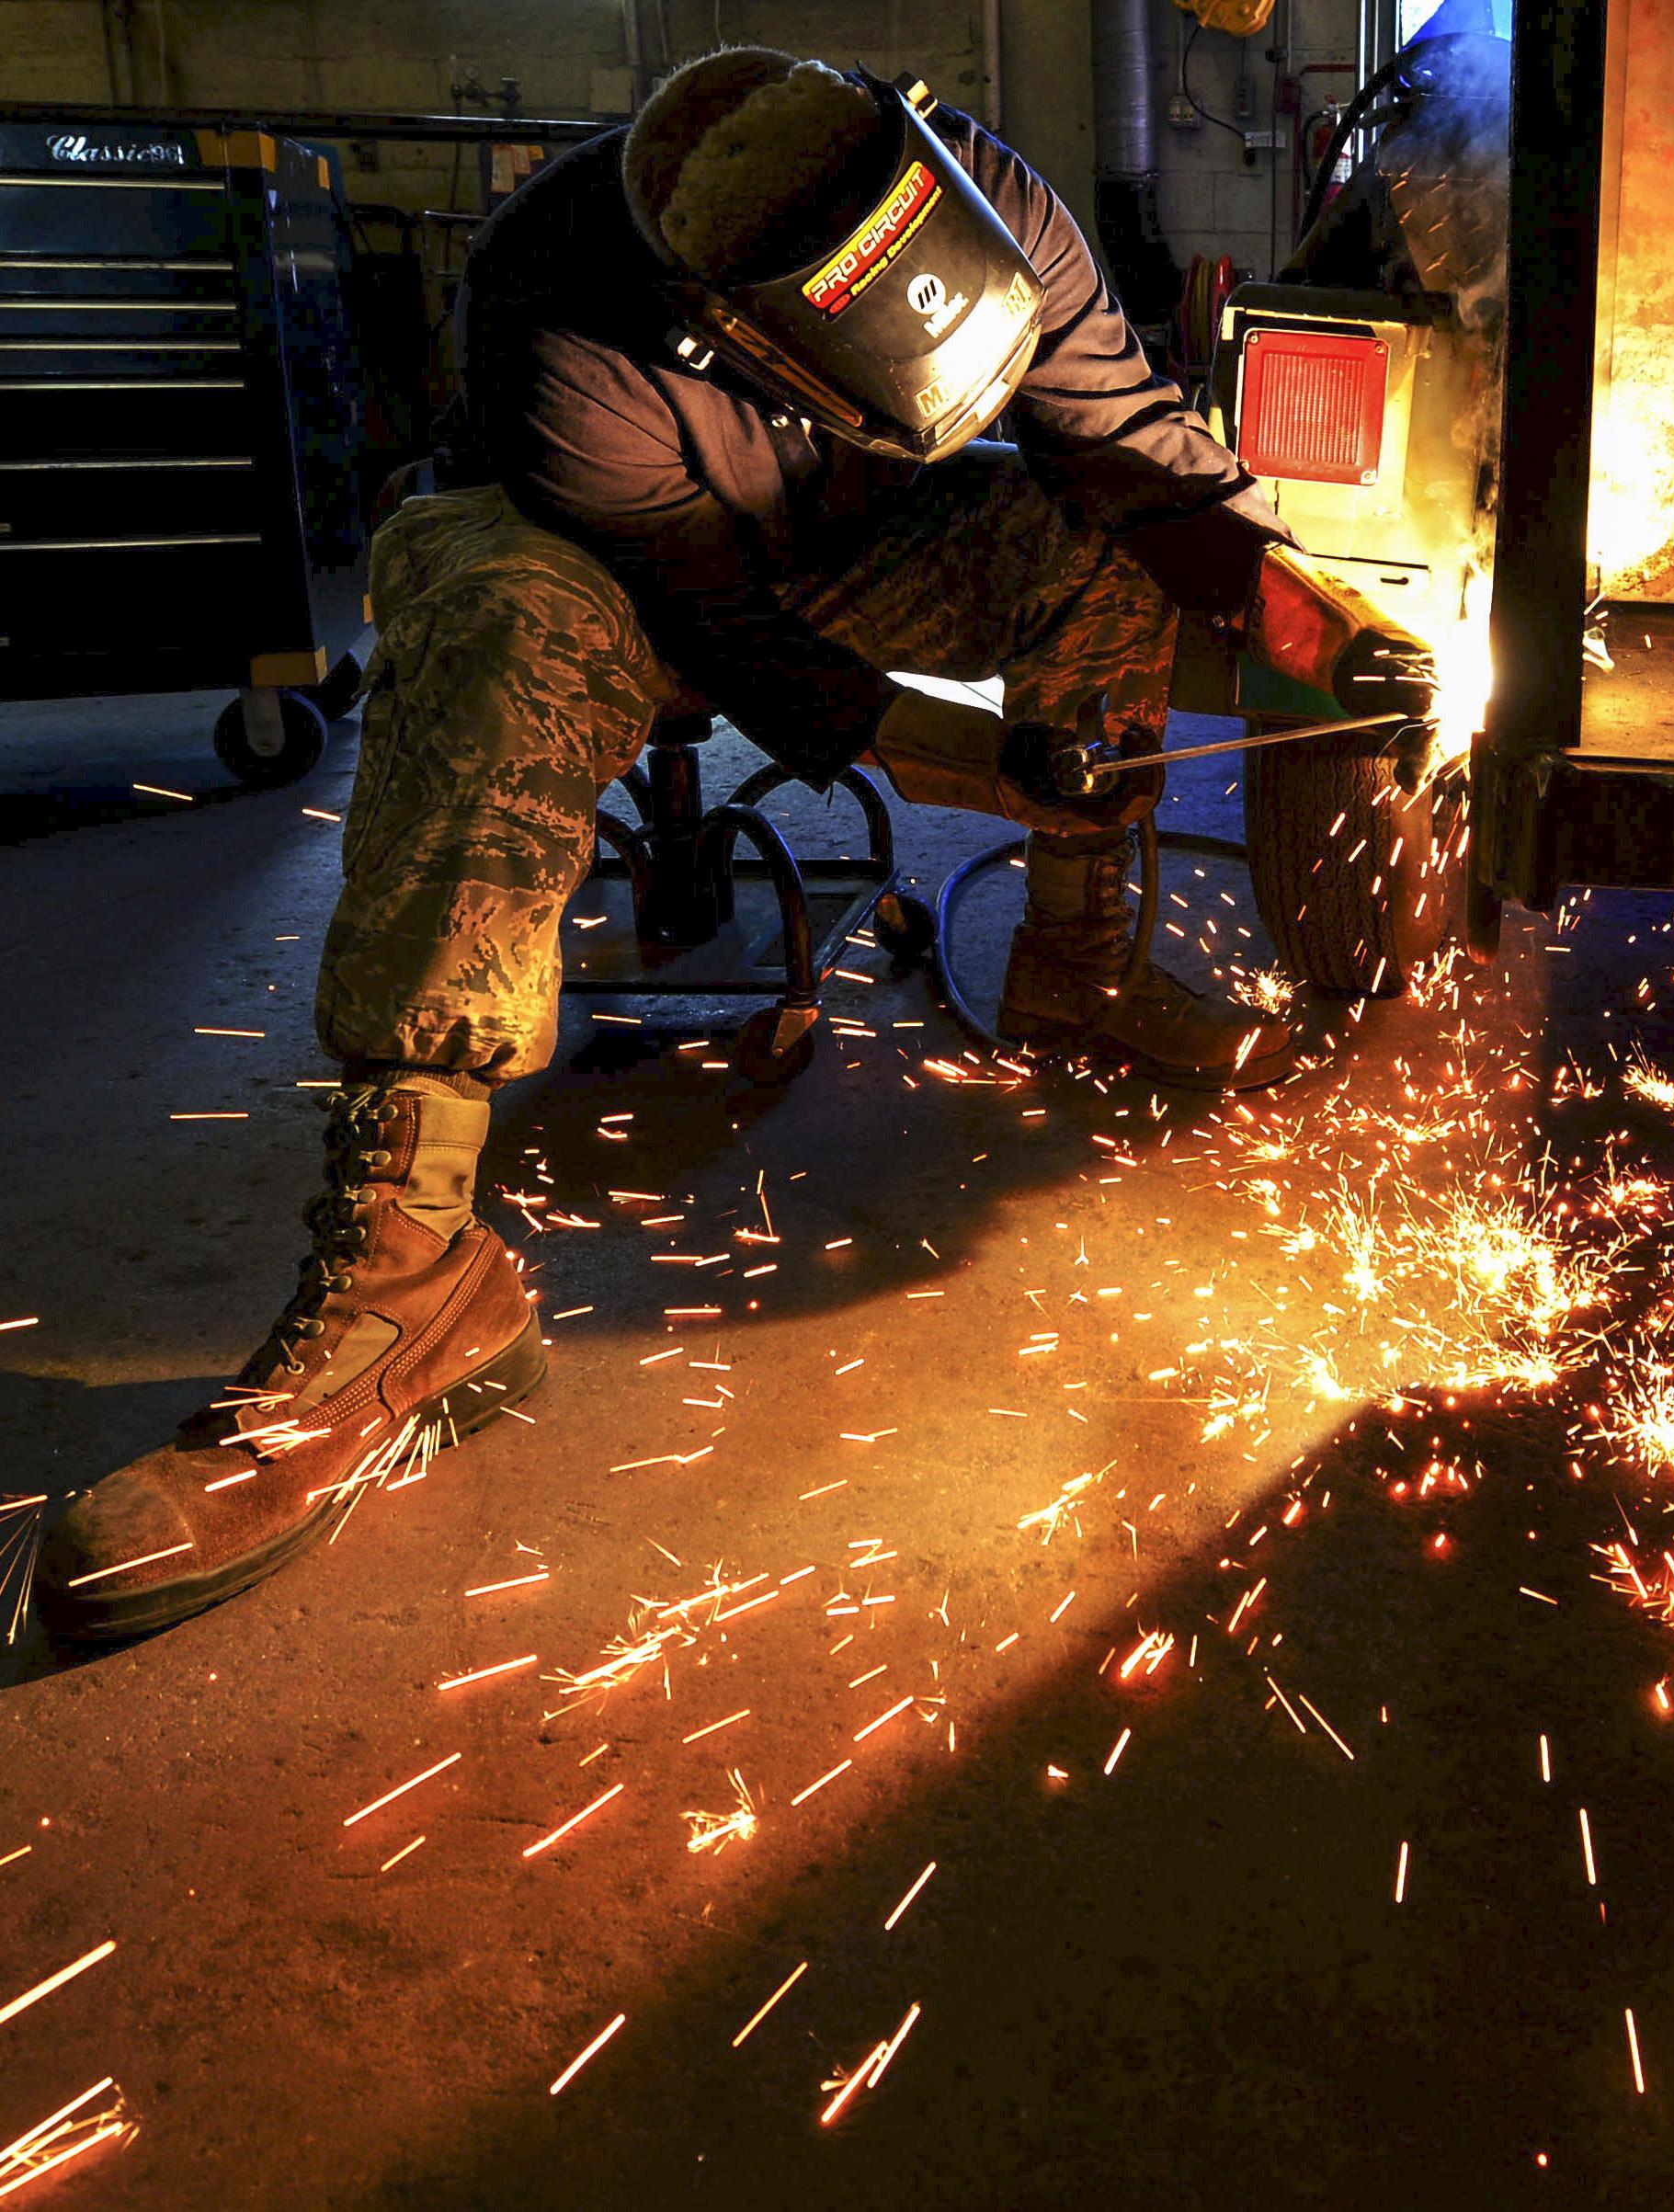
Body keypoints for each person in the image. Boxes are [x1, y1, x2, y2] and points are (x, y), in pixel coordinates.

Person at [43, 48, 1304, 1642]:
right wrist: (991, 766)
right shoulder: (560, 322)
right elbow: (744, 648)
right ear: (733, 334)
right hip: (621, 571)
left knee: (1105, 543)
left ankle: (1075, 962)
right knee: (495, 607)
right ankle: (409, 1282)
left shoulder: (991, 199)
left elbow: (1134, 448)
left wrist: (1314, 616)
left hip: (850, 532)